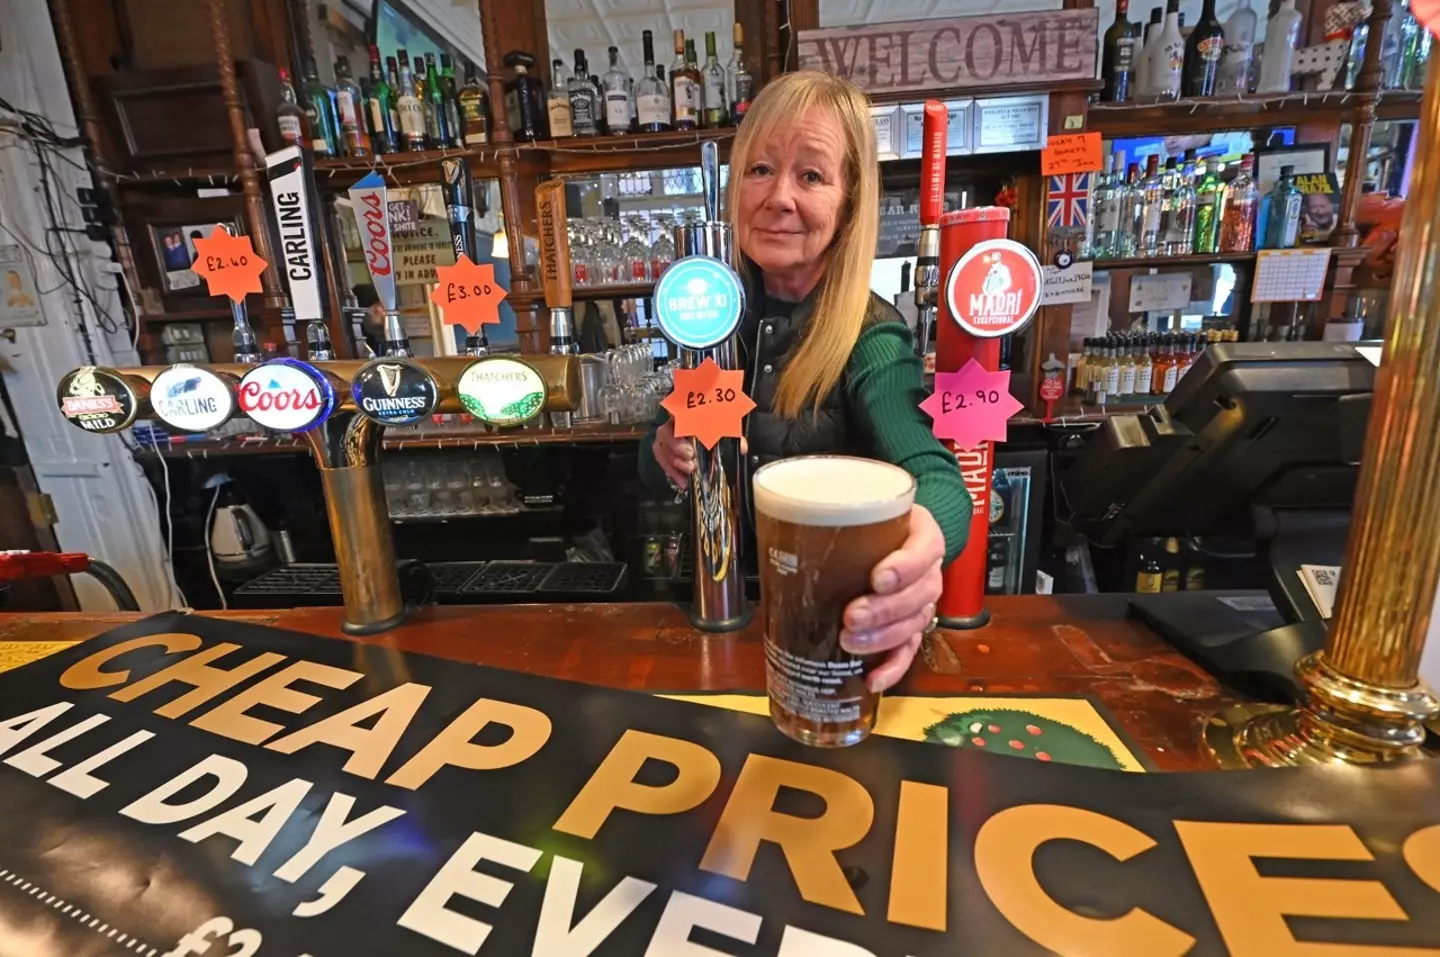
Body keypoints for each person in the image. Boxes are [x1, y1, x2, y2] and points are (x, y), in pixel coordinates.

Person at [639, 70, 971, 693]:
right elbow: (656, 448)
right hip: (708, 620)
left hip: (823, 638)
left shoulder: (869, 335)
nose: (779, 197)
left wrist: (919, 558)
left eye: (811, 175)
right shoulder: (709, 314)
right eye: (760, 169)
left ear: (848, 206)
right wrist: (663, 449)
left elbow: (938, 478)